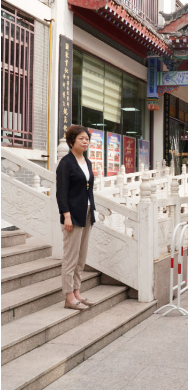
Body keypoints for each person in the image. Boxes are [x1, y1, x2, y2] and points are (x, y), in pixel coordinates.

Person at [56, 125, 97, 311]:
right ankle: (69, 297)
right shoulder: (66, 163)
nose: (85, 141)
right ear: (72, 141)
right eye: (81, 138)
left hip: (87, 213)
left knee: (81, 257)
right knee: (70, 258)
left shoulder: (86, 162)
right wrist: (66, 216)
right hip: (72, 216)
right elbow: (61, 192)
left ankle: (77, 291)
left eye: (87, 138)